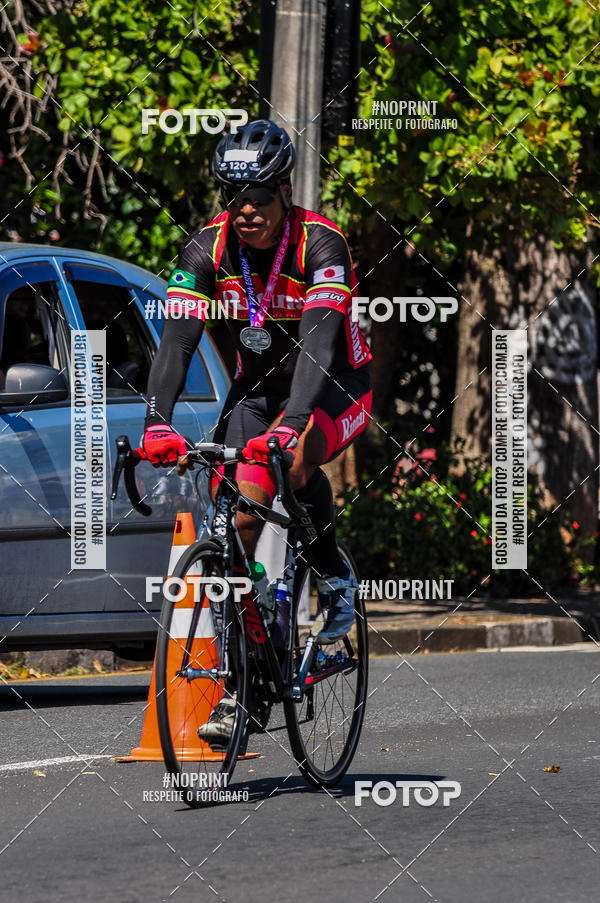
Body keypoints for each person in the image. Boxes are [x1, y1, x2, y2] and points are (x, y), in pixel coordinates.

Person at [142, 119, 372, 746]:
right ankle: (246, 685)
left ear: (285, 193)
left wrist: (293, 424)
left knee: (292, 461)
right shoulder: (206, 249)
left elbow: (320, 344)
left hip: (335, 383)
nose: (246, 211)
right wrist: (157, 422)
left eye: (260, 198)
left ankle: (333, 576)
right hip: (259, 390)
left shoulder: (321, 244)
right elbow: (177, 342)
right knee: (237, 522)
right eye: (234, 197)